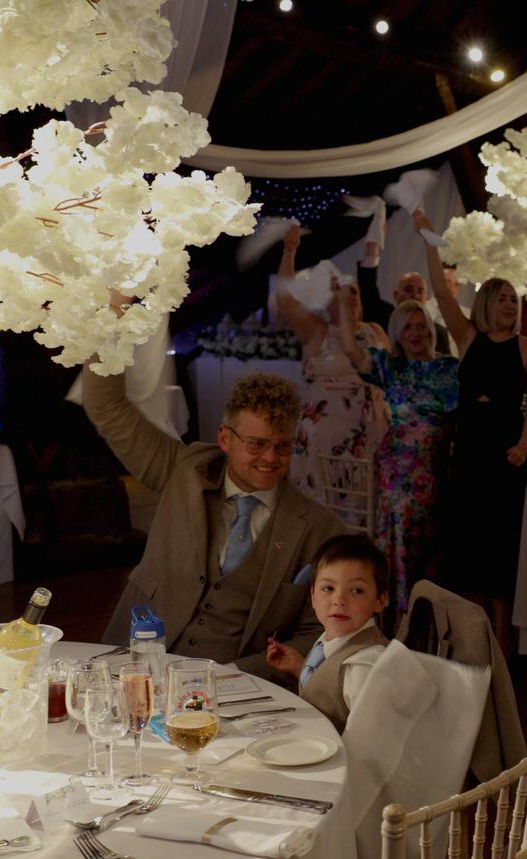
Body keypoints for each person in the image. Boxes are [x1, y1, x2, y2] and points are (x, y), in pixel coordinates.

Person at [84, 306, 344, 685]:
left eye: (283, 446)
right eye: (256, 444)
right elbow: (106, 406)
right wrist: (112, 315)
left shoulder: (319, 528)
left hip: (233, 689)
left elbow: (317, 630)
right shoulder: (181, 470)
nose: (271, 459)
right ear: (225, 438)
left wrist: (240, 673)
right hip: (135, 666)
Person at [416, 210, 527, 644]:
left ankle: (503, 644)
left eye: (513, 299)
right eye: (502, 298)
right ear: (487, 302)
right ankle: (470, 639)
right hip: (469, 454)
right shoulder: (469, 338)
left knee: (502, 553)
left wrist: (524, 445)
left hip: (508, 455)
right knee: (466, 549)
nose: (510, 305)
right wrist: (428, 237)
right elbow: (440, 291)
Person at [340, 296, 459, 611]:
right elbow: (351, 350)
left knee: (435, 545)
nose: (416, 333)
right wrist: (343, 308)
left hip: (436, 470)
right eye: (408, 328)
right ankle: (398, 618)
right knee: (400, 543)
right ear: (397, 334)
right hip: (397, 475)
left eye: (421, 326)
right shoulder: (390, 366)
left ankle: (428, 618)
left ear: (431, 329)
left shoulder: (449, 368)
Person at [276, 226, 391, 516]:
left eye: (355, 294)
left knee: (366, 511)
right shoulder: (318, 331)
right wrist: (289, 251)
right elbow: (285, 301)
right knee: (324, 512)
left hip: (372, 434)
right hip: (325, 440)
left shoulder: (375, 332)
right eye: (343, 293)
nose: (350, 298)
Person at [266, 534, 390, 732]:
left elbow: (372, 738)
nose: (339, 600)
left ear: (380, 600)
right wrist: (300, 668)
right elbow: (334, 688)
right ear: (313, 597)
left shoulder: (364, 666)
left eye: (356, 591)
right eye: (328, 588)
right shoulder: (331, 639)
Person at [357, 239, 453, 356]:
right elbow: (367, 289)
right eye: (408, 289)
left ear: (426, 298)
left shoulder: (439, 333)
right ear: (395, 295)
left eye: (420, 291)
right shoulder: (383, 317)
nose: (415, 295)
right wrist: (373, 248)